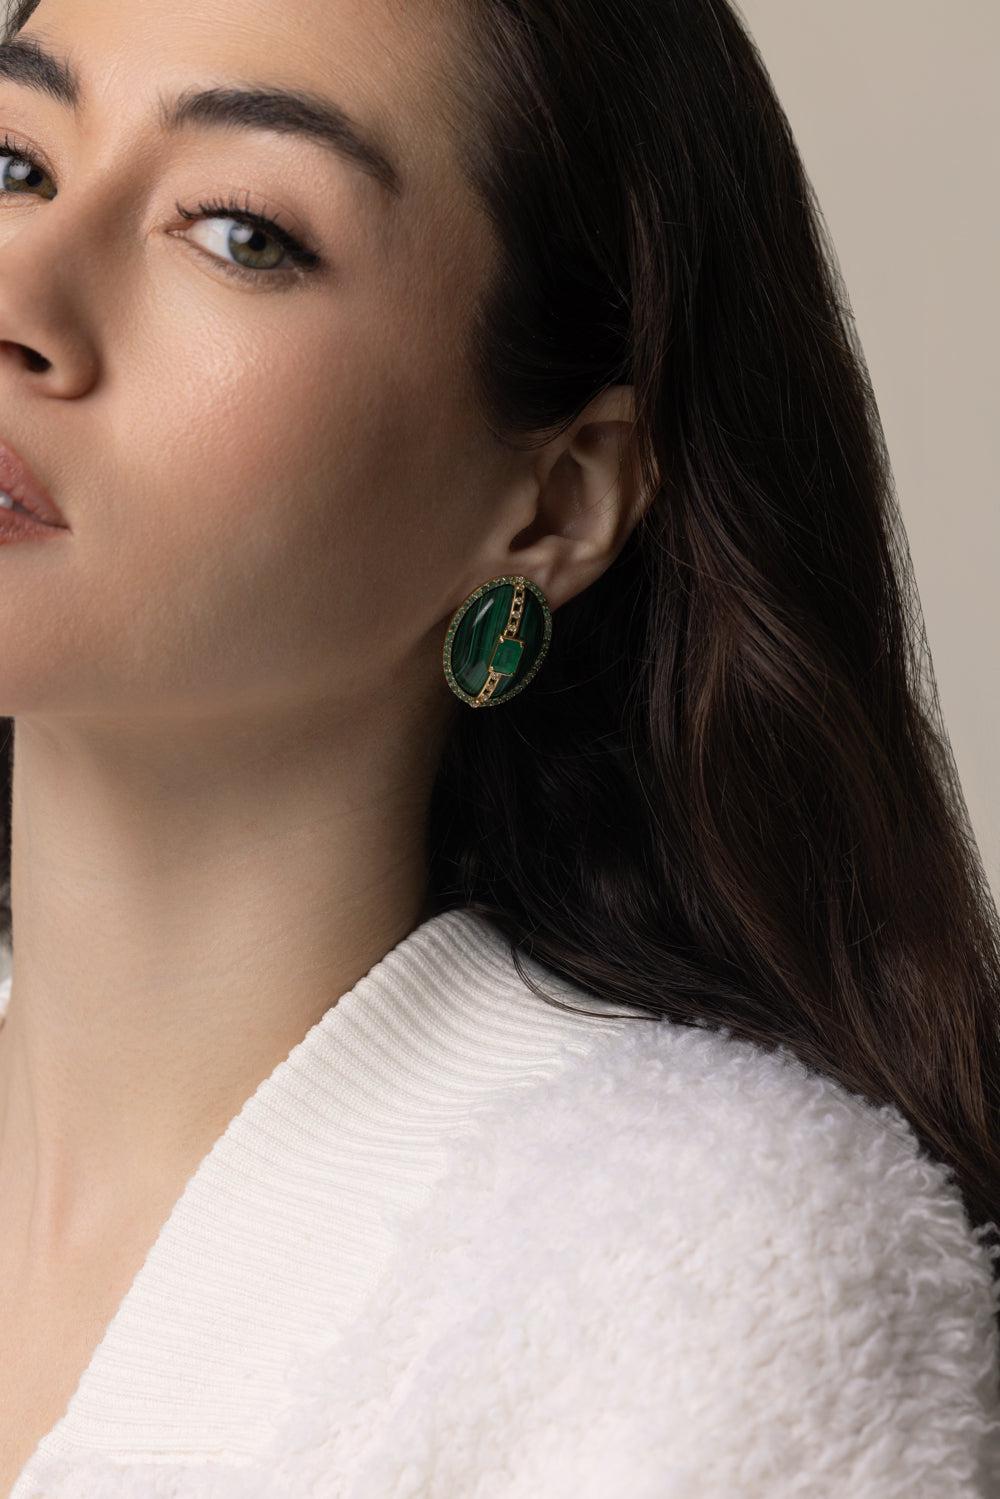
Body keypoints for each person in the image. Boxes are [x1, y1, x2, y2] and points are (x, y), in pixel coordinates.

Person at [0, 0, 997, 1494]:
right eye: (14, 164)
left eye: (244, 234)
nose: (21, 282)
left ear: (556, 502)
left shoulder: (689, 1279)